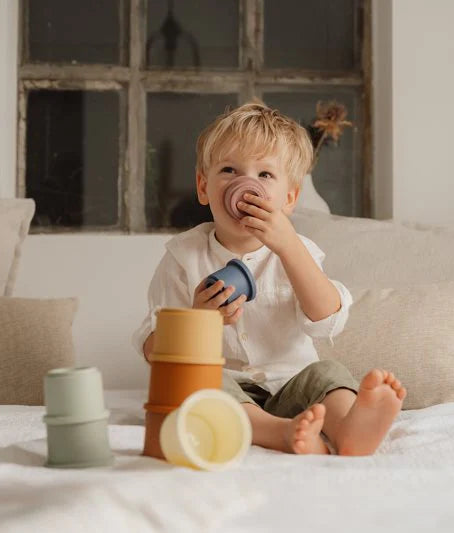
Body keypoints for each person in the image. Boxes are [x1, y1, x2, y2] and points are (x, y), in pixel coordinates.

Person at [132, 102, 406, 455]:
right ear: (203, 188)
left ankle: (348, 427)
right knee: (201, 383)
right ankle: (280, 432)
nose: (246, 185)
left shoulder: (298, 251)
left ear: (289, 198)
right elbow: (154, 350)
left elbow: (328, 322)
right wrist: (198, 322)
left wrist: (290, 248)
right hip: (228, 392)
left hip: (293, 384)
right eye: (229, 170)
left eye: (265, 175)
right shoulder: (183, 258)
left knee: (328, 374)